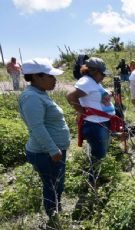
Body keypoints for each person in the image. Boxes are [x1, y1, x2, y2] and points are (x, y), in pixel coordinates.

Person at [18, 58, 70, 225]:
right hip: (45, 153)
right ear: (37, 77)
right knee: (52, 186)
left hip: (52, 151)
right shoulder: (31, 97)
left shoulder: (40, 94)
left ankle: (56, 210)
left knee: (56, 183)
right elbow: (37, 127)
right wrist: (52, 149)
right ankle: (53, 218)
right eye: (51, 76)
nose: (55, 80)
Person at [66, 57, 115, 185]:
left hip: (101, 123)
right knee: (98, 154)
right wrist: (82, 111)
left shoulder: (94, 82)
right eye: (102, 74)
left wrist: (108, 93)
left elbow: (94, 95)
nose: (104, 76)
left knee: (100, 152)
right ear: (94, 71)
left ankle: (97, 176)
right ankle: (93, 182)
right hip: (95, 124)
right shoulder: (86, 81)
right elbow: (71, 96)